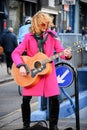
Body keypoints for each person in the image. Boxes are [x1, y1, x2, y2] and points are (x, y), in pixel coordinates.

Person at [11, 11, 72, 130]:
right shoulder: (28, 38)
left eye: (47, 24)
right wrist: (21, 66)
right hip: (32, 72)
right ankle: (26, 125)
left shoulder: (53, 36)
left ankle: (54, 126)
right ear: (36, 24)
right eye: (43, 24)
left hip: (49, 72)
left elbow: (61, 52)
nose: (46, 27)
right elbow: (15, 53)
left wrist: (67, 55)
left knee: (54, 98)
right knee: (25, 99)